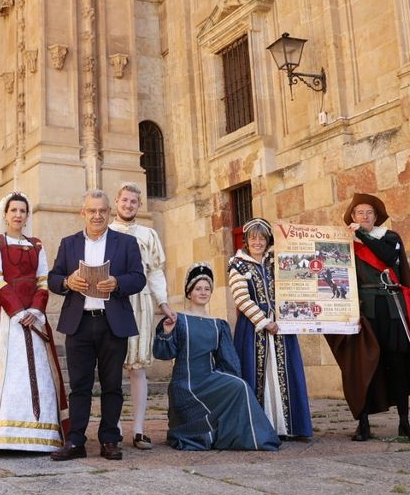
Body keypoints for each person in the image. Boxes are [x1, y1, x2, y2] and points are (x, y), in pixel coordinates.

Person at [327, 193, 410, 442]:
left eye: (369, 213)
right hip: (363, 310)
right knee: (363, 365)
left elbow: (388, 257)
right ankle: (363, 424)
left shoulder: (390, 238)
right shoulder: (344, 243)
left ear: (376, 217)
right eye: (359, 213)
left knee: (397, 364)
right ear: (352, 217)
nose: (364, 217)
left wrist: (362, 235)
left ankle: (404, 423)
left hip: (391, 307)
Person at [0, 192, 68, 451]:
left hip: (34, 315)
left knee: (38, 372)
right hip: (4, 316)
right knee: (4, 371)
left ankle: (40, 435)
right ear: (6, 214)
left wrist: (36, 310)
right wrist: (18, 311)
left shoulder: (37, 245)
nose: (18, 215)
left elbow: (43, 281)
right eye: (14, 211)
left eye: (23, 211)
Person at [47, 189, 146, 461]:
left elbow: (139, 278)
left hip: (112, 323)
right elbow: (52, 278)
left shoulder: (126, 243)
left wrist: (118, 283)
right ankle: (76, 441)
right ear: (83, 213)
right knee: (79, 385)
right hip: (79, 324)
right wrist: (67, 282)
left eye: (102, 210)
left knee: (112, 385)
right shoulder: (69, 244)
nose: (97, 215)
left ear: (109, 213)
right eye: (92, 211)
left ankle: (110, 440)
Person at [153, 263, 280, 451]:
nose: (203, 292)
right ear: (189, 292)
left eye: (207, 289)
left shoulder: (218, 324)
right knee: (239, 388)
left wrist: (228, 383)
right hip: (185, 384)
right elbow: (163, 353)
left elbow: (228, 361)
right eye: (198, 288)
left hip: (208, 379)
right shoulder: (177, 320)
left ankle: (254, 438)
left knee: (240, 386)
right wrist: (166, 331)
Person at [228, 218, 313, 440]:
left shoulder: (276, 261)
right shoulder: (238, 265)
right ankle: (260, 427)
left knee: (285, 373)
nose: (257, 242)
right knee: (257, 374)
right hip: (254, 329)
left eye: (262, 238)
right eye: (253, 238)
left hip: (282, 326)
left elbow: (296, 285)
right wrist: (264, 322)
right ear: (246, 240)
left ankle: (288, 427)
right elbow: (242, 299)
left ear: (268, 240)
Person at [109, 182, 173, 451]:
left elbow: (156, 272)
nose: (128, 205)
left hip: (142, 300)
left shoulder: (148, 234)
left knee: (137, 368)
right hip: (112, 300)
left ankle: (138, 429)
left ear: (139, 205)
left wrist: (164, 302)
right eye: (124, 200)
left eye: (133, 202)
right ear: (116, 201)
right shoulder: (106, 231)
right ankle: (113, 428)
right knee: (112, 368)